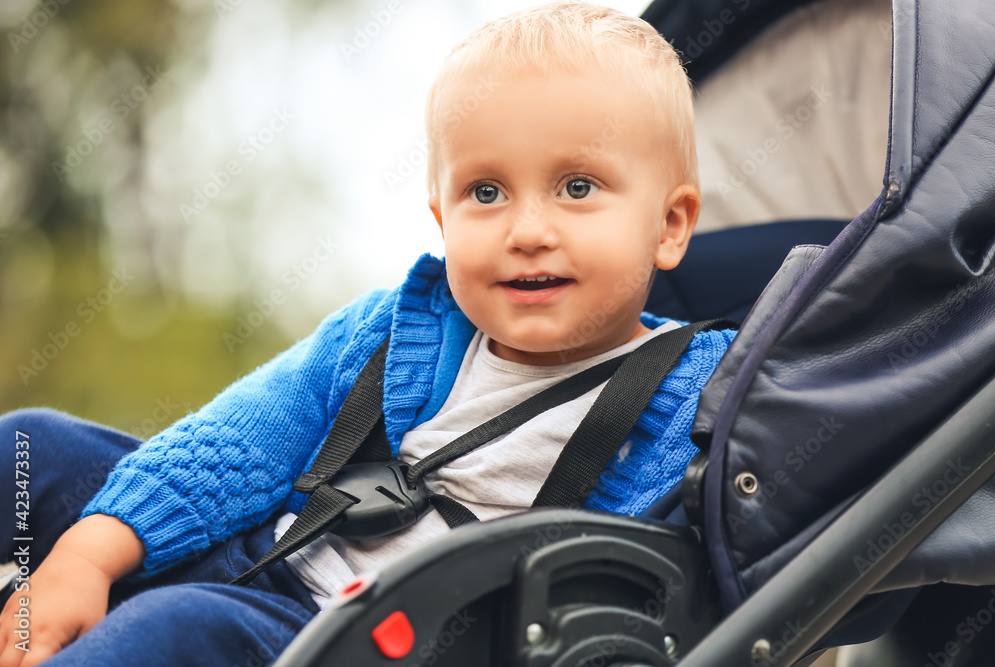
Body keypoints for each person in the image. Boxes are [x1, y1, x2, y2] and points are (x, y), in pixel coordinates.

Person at [0, 2, 735, 665]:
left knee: (176, 626)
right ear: (444, 220)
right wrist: (88, 556)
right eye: (486, 192)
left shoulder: (700, 396)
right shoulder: (398, 326)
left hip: (340, 639)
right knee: (27, 448)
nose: (528, 230)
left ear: (669, 225)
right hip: (269, 543)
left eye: (577, 187)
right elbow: (237, 442)